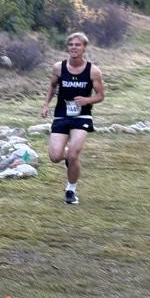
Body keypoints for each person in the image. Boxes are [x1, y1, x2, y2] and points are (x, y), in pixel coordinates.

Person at [40, 31, 105, 205]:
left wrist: (87, 100)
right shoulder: (58, 68)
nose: (74, 48)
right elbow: (52, 87)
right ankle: (69, 158)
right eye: (71, 45)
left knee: (74, 154)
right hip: (61, 114)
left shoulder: (93, 71)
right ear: (67, 47)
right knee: (55, 156)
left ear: (84, 48)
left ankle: (71, 190)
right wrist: (46, 104)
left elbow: (100, 95)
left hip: (82, 115)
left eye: (78, 45)